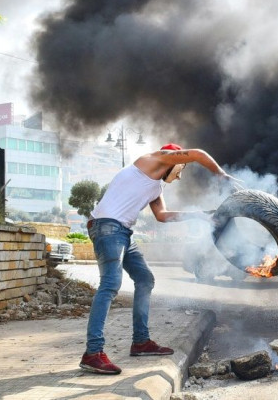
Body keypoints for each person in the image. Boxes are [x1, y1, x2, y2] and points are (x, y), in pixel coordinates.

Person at [79, 143, 238, 375]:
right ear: (172, 161)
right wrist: (221, 175)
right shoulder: (153, 159)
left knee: (145, 279)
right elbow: (198, 154)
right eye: (180, 169)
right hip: (108, 227)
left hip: (122, 231)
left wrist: (198, 216)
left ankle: (141, 342)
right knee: (110, 284)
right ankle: (93, 353)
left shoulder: (155, 188)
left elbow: (162, 216)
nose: (180, 175)